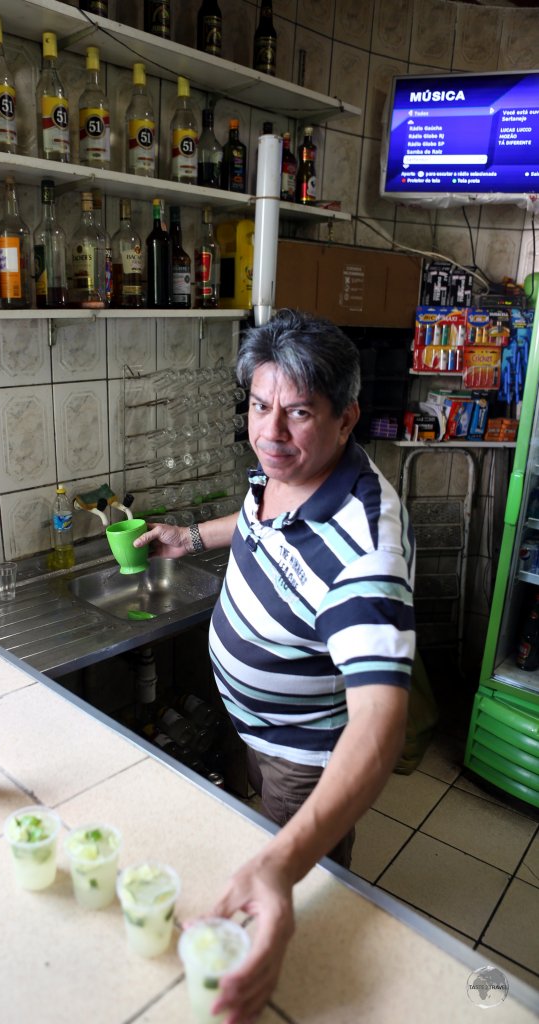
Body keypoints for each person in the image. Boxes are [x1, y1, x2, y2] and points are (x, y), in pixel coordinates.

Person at [134, 308, 416, 1023]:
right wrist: (191, 534)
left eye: (296, 414)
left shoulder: (365, 550)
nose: (269, 433)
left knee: (291, 892)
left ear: (345, 419)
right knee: (253, 866)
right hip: (250, 729)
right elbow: (261, 520)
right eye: (260, 406)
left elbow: (378, 727)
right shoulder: (281, 469)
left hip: (304, 761)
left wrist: (282, 866)